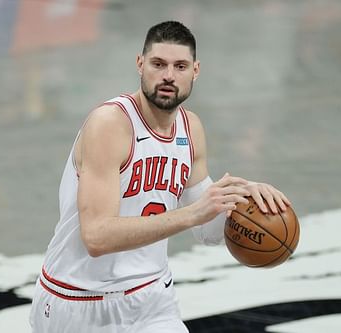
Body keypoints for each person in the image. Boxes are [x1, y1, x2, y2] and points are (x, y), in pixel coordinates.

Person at [30, 20, 290, 333]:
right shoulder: (110, 124)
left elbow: (208, 231)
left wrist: (244, 201)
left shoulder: (190, 128)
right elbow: (97, 237)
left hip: (152, 298)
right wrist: (190, 214)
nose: (168, 75)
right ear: (140, 65)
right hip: (78, 300)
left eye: (180, 66)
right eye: (158, 64)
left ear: (195, 71)